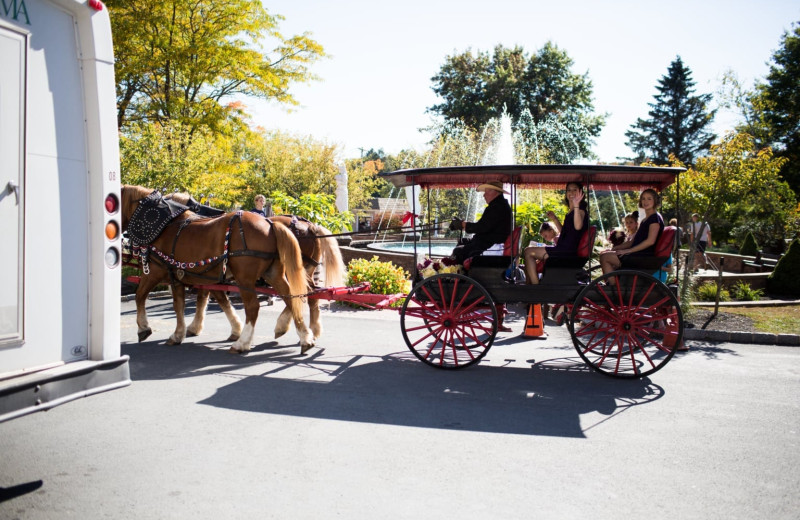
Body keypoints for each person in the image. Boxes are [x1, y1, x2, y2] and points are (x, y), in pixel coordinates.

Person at [523, 182, 588, 284]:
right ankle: (530, 285)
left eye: (575, 189)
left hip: (566, 252)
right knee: (528, 252)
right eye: (569, 190)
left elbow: (578, 226)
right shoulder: (571, 212)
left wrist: (576, 205)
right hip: (564, 249)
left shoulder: (580, 211)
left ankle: (535, 287)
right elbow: (565, 233)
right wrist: (554, 219)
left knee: (528, 252)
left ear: (581, 193)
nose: (571, 192)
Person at [599, 188, 664, 275]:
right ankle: (614, 283)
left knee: (605, 257)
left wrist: (629, 251)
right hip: (637, 254)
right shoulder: (645, 219)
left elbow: (650, 241)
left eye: (649, 198)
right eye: (643, 198)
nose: (645, 201)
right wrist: (615, 248)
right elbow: (632, 242)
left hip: (643, 257)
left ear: (655, 201)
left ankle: (613, 286)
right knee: (605, 254)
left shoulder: (655, 219)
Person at [447, 181, 513, 264]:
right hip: (489, 242)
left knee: (458, 251)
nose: (484, 195)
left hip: (491, 245)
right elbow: (485, 226)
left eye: (486, 192)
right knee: (462, 241)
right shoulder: (499, 205)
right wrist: (464, 225)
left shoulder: (497, 207)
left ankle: (458, 273)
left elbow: (482, 227)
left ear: (494, 192)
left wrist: (464, 225)